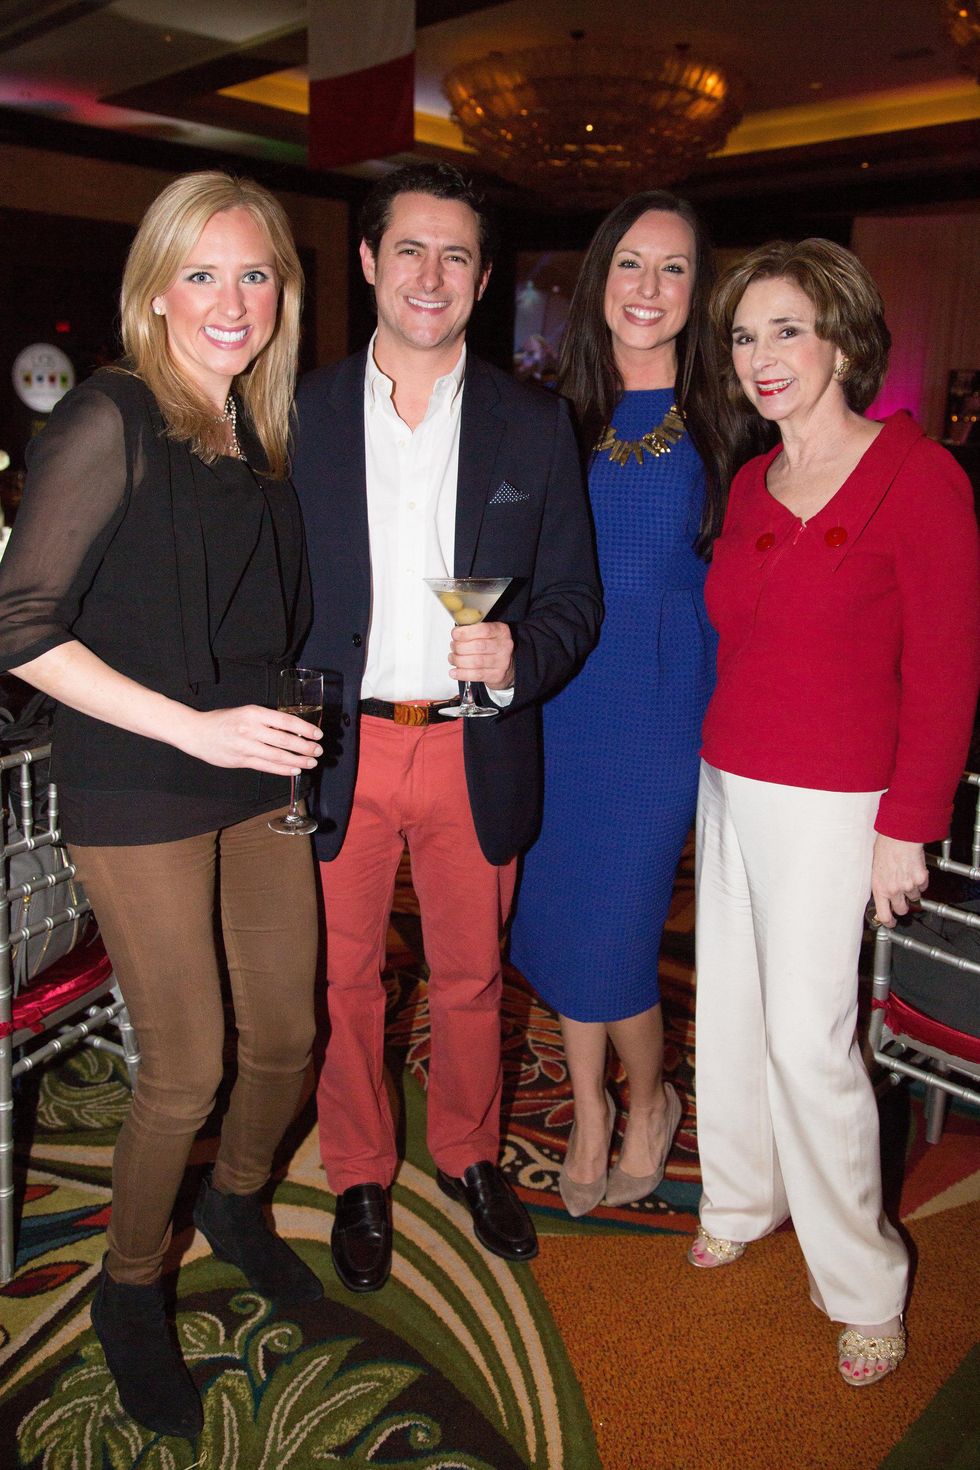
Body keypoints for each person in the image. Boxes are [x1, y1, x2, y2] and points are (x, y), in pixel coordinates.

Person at [0, 172, 324, 1439]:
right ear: (154, 289)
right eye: (203, 273)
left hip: (254, 769)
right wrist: (194, 724)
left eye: (254, 275)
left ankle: (237, 1203)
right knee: (182, 1070)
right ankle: (126, 1288)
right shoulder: (109, 417)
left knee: (290, 1035)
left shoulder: (256, 427)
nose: (231, 300)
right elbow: (18, 627)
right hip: (140, 777)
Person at [292, 162, 601, 1293]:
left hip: (475, 737)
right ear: (370, 261)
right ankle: (360, 1170)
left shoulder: (534, 423)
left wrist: (522, 655)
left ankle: (471, 1153)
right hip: (342, 742)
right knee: (344, 978)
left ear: (480, 281)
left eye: (456, 256)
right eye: (409, 250)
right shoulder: (301, 410)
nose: (431, 276)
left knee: (473, 974)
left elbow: (574, 600)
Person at [693, 238, 980, 1384]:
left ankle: (862, 1280)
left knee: (810, 1044)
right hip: (729, 778)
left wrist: (902, 823)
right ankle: (740, 1193)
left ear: (843, 340)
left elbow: (949, 669)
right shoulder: (750, 478)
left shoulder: (918, 477)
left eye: (784, 331)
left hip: (835, 802)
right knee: (729, 1008)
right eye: (742, 337)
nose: (759, 358)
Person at [508, 192, 740, 1215]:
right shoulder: (547, 417)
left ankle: (646, 1098)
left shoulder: (733, 418)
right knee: (558, 920)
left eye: (673, 268)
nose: (647, 289)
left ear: (698, 289)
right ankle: (594, 1112)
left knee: (618, 925)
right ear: (598, 280)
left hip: (664, 711)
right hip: (560, 705)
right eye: (629, 265)